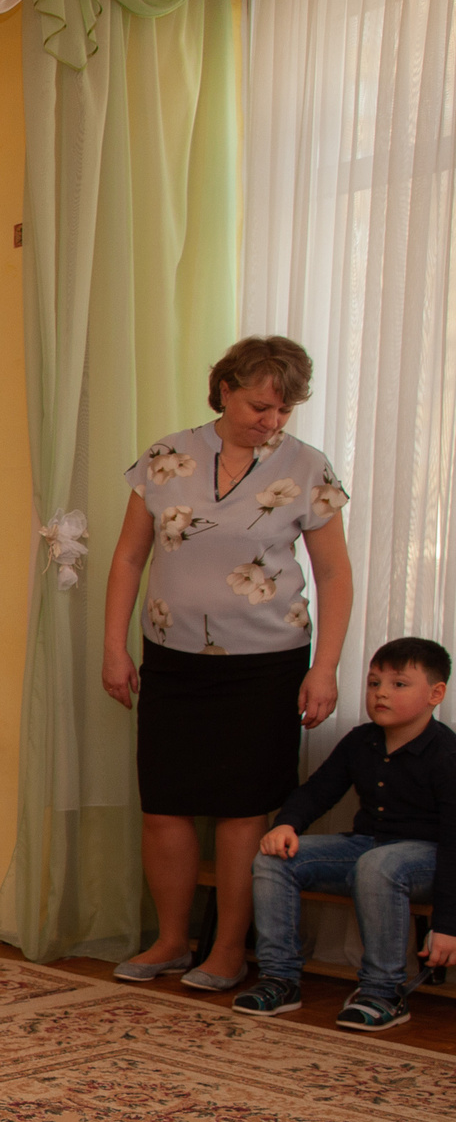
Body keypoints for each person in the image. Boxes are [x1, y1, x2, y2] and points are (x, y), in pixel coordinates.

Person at [103, 336, 354, 990]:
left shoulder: (307, 467)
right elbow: (129, 557)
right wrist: (114, 647)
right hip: (173, 658)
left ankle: (228, 949)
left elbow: (334, 575)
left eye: (283, 410)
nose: (271, 420)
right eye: (259, 406)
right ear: (224, 390)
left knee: (244, 811)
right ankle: (170, 940)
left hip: (266, 664)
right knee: (165, 805)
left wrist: (323, 667)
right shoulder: (165, 456)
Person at [235, 637, 453, 1032]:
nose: (381, 693)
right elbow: (318, 791)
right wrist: (287, 824)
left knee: (380, 863)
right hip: (367, 848)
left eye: (398, 684)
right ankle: (280, 980)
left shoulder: (446, 754)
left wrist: (449, 924)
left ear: (436, 694)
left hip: (428, 858)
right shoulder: (360, 741)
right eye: (373, 684)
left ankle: (384, 991)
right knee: (273, 858)